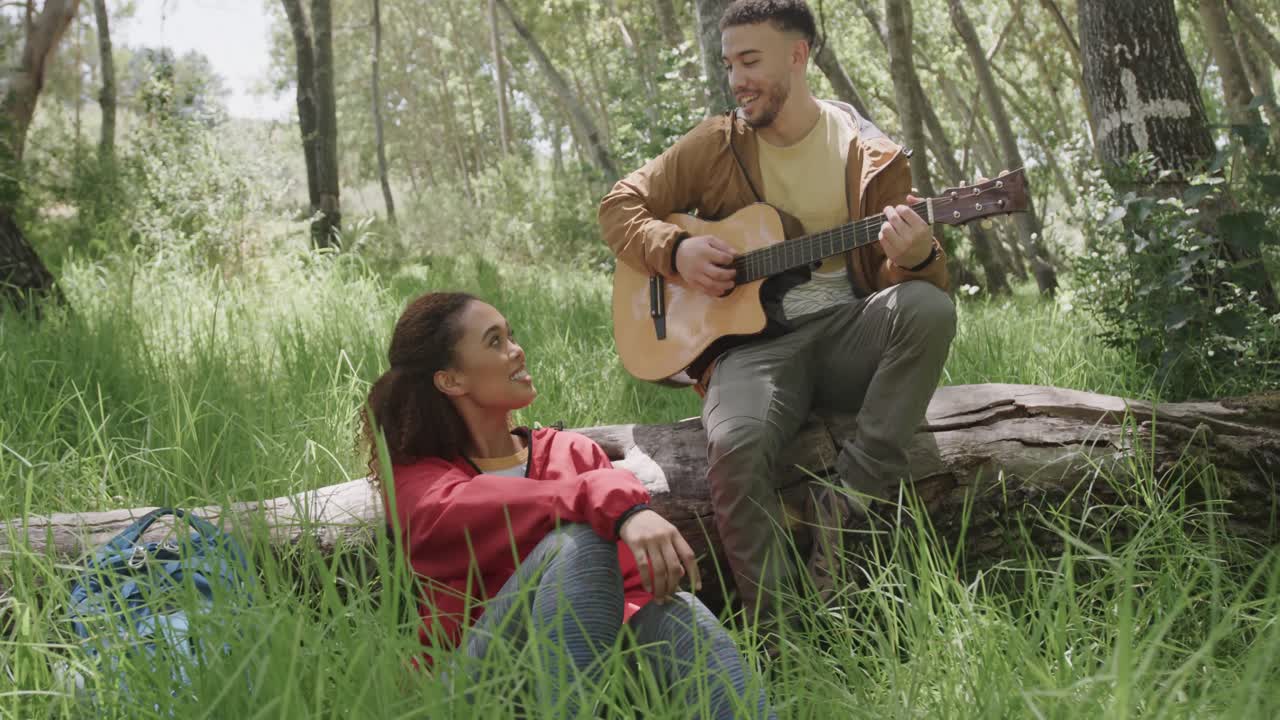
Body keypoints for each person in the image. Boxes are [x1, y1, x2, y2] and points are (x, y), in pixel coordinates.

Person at [598, 0, 956, 629]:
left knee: (927, 307)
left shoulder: (873, 156)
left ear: (798, 55)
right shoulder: (715, 144)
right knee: (736, 447)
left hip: (847, 332)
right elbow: (619, 206)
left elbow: (906, 275)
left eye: (751, 60)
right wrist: (676, 251)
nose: (737, 78)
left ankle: (846, 506)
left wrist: (920, 254)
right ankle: (783, 634)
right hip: (750, 349)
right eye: (730, 62)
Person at [362, 291, 773, 718]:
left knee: (677, 611)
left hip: (589, 669)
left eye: (511, 336)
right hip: (472, 688)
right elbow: (452, 513)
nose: (517, 350)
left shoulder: (573, 454)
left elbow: (628, 588)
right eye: (494, 342)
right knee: (574, 543)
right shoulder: (418, 476)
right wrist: (618, 504)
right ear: (451, 380)